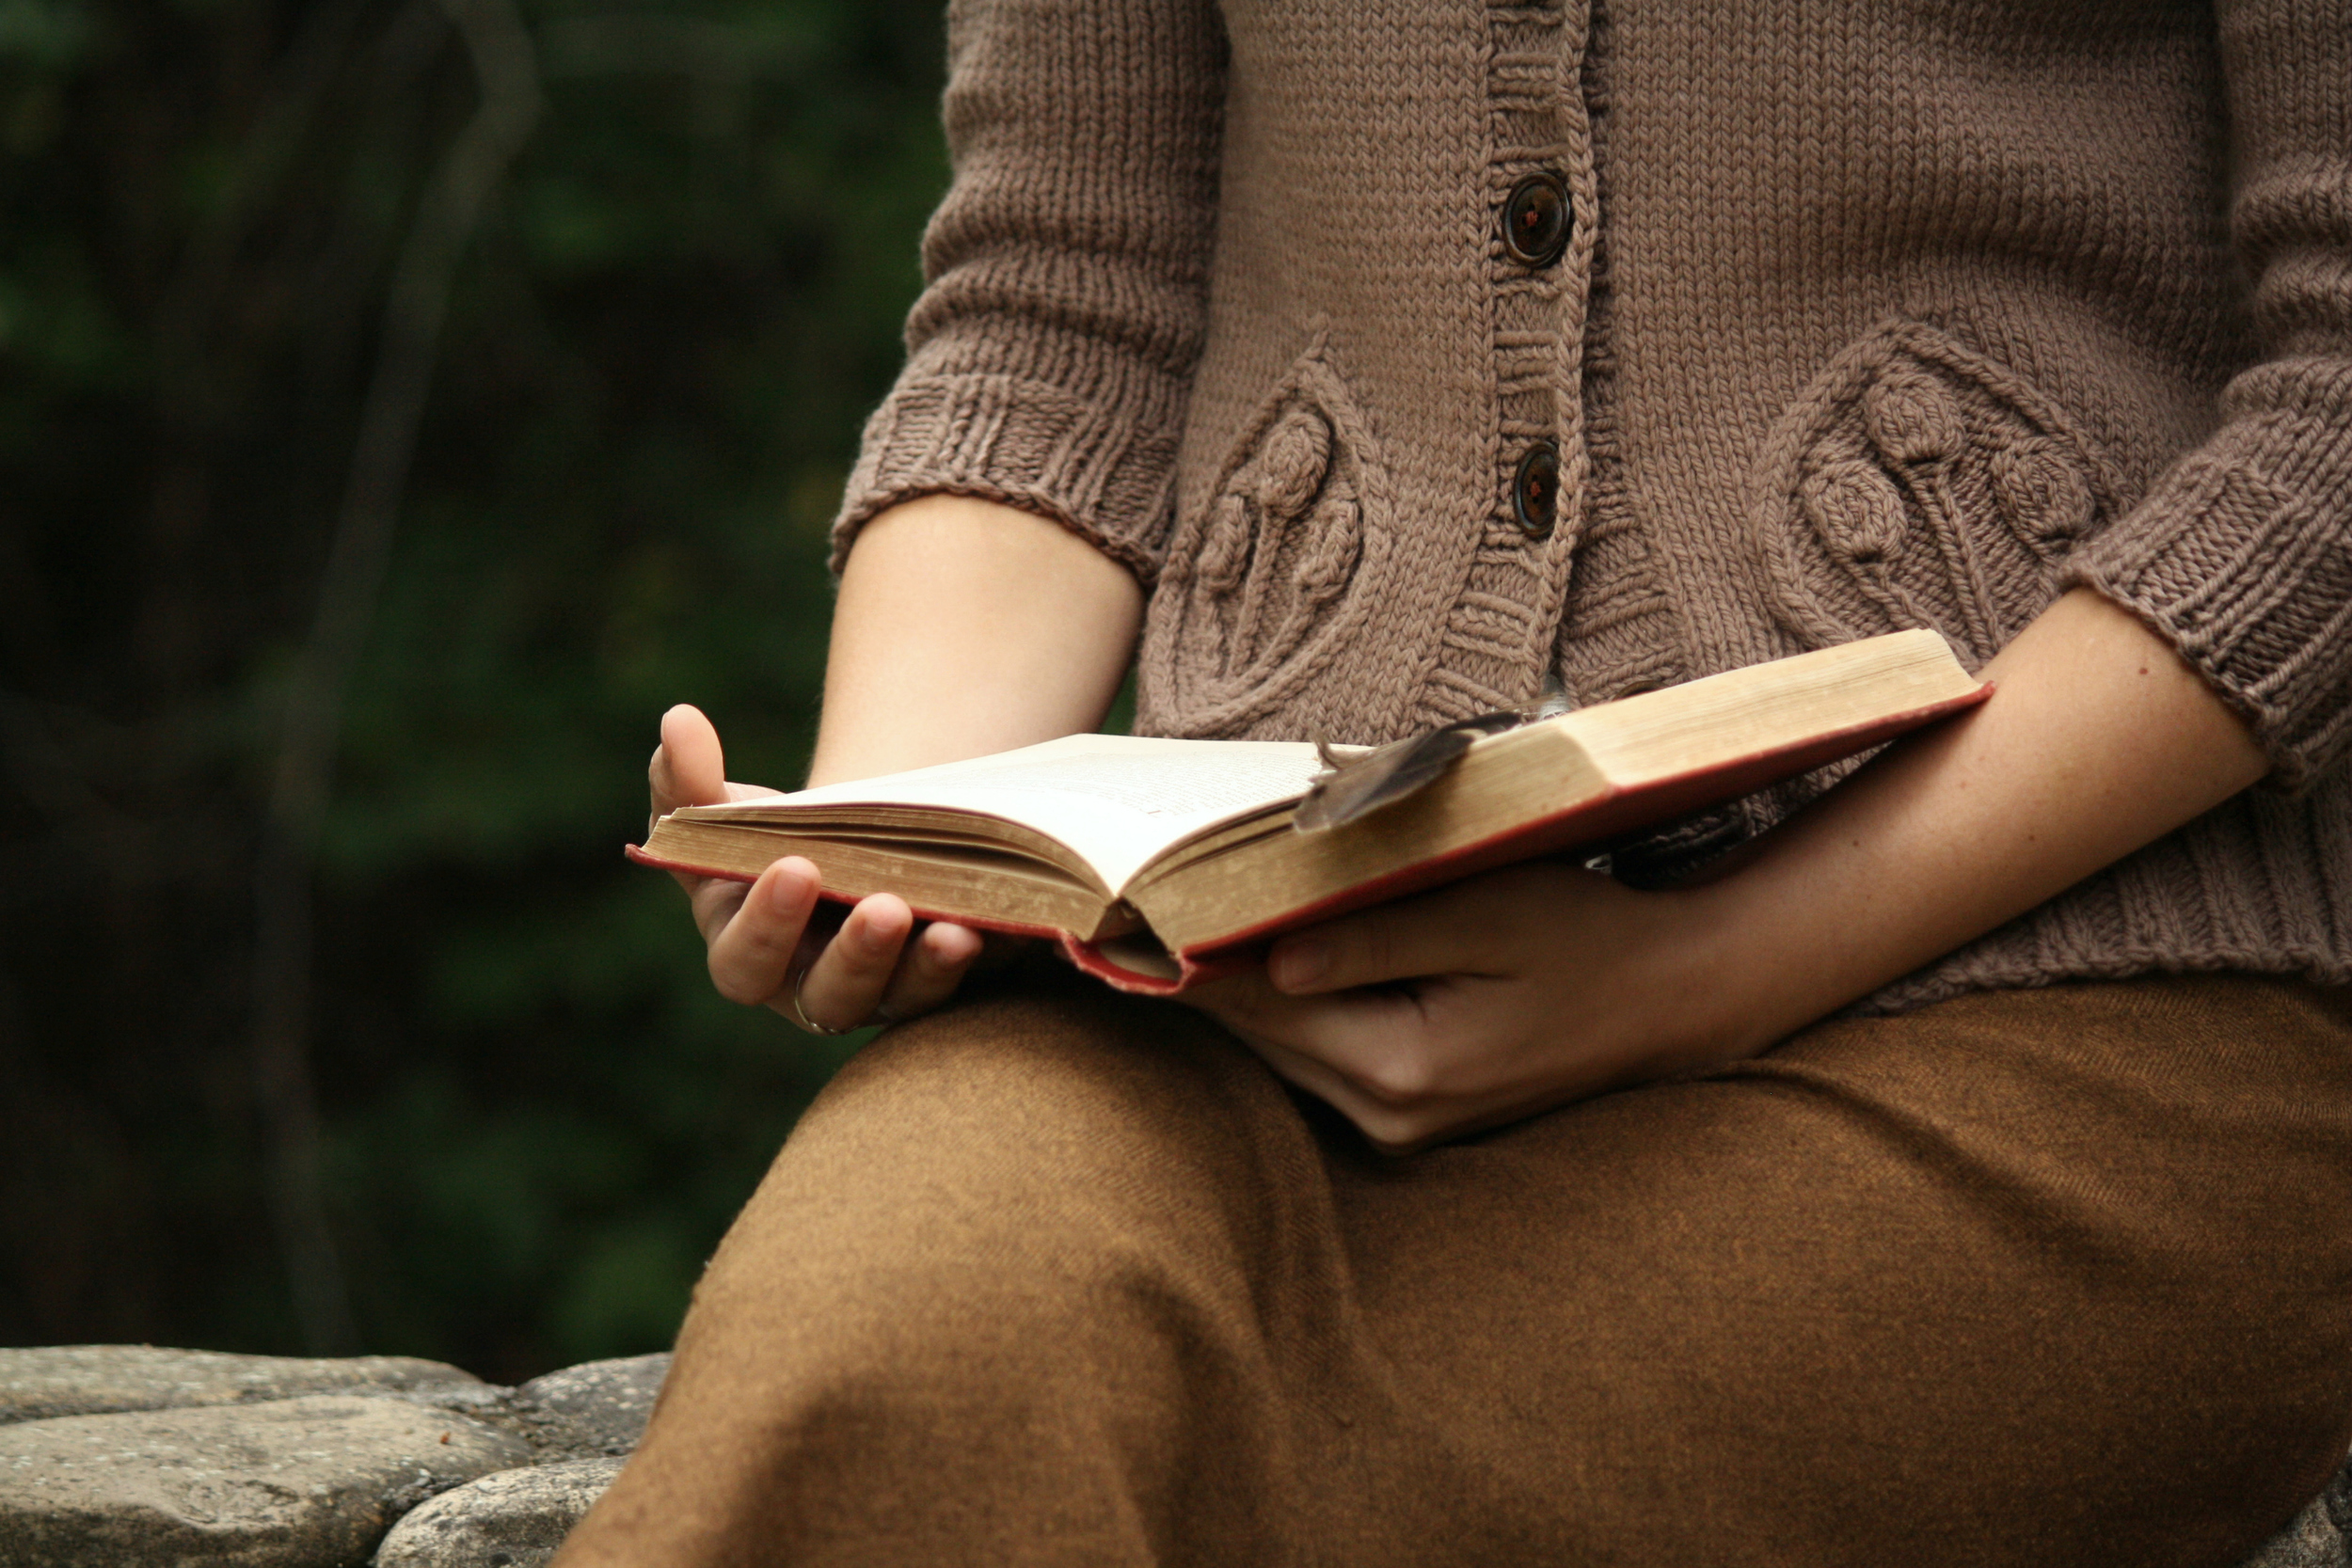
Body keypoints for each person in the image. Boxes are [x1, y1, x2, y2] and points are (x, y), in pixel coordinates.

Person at [555, 0, 2352, 1561]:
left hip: (2076, 984)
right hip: (1244, 987)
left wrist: (1709, 971)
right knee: (872, 1384)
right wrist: (908, 838)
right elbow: (1060, 308)